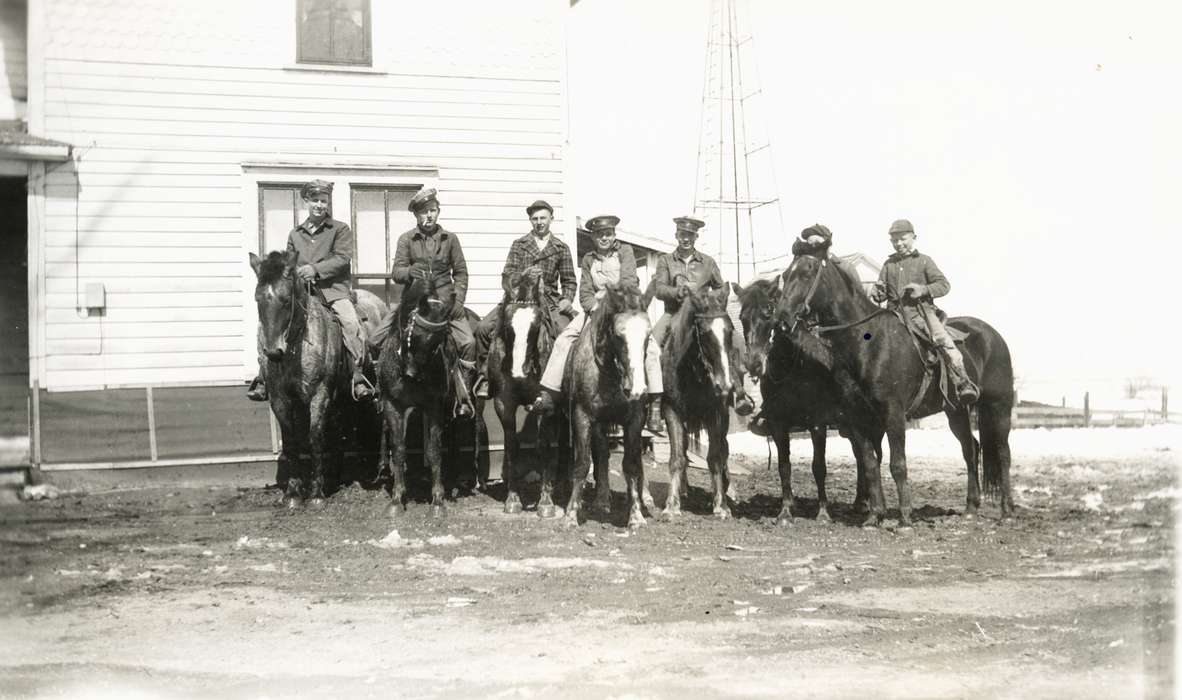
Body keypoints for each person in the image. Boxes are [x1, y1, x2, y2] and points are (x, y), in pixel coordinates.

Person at [246, 179, 371, 401]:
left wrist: (315, 269)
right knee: (270, 321)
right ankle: (264, 376)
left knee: (350, 322)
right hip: (303, 293)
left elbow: (342, 259)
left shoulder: (340, 229)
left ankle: (357, 377)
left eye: (324, 201)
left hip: (333, 291)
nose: (319, 205)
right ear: (307, 202)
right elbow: (288, 265)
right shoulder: (295, 234)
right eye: (315, 200)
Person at [529, 215, 662, 414]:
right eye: (599, 235)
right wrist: (593, 308)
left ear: (614, 235)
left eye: (608, 234)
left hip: (623, 307)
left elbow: (628, 281)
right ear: (593, 238)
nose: (604, 238)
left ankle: (655, 401)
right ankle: (550, 393)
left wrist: (612, 302)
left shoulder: (625, 252)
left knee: (649, 346)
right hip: (596, 310)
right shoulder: (589, 259)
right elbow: (585, 291)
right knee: (565, 339)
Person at [368, 187, 478, 415]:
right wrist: (409, 272)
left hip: (445, 303)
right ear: (416, 216)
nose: (428, 216)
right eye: (423, 212)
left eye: (432, 210)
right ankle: (382, 389)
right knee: (376, 338)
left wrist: (458, 301)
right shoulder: (407, 239)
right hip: (414, 303)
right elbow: (396, 272)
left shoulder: (450, 240)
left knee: (468, 343)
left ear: (438, 212)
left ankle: (464, 397)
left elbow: (461, 272)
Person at [650, 216, 755, 420]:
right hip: (674, 314)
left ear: (696, 237)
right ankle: (654, 401)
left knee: (736, 342)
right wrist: (679, 291)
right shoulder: (665, 261)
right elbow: (659, 289)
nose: (685, 239)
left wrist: (711, 299)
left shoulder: (708, 262)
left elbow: (720, 287)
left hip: (704, 315)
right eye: (682, 234)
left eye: (690, 235)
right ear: (676, 235)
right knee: (651, 345)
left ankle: (738, 393)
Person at [473, 199, 578, 399]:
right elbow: (507, 276)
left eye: (543, 218)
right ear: (530, 220)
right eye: (535, 218)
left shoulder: (560, 247)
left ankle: (565, 384)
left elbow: (569, 280)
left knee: (566, 332)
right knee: (484, 328)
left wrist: (567, 299)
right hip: (518, 299)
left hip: (549, 299)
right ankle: (485, 375)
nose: (539, 222)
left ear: (551, 219)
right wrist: (523, 276)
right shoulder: (519, 245)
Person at [870, 218, 979, 405]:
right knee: (866, 337)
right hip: (892, 314)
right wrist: (877, 293)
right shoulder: (888, 265)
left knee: (942, 339)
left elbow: (944, 285)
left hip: (921, 313)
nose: (899, 244)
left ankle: (963, 382)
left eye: (903, 239)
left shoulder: (924, 261)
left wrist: (924, 289)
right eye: (894, 240)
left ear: (913, 237)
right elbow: (882, 290)